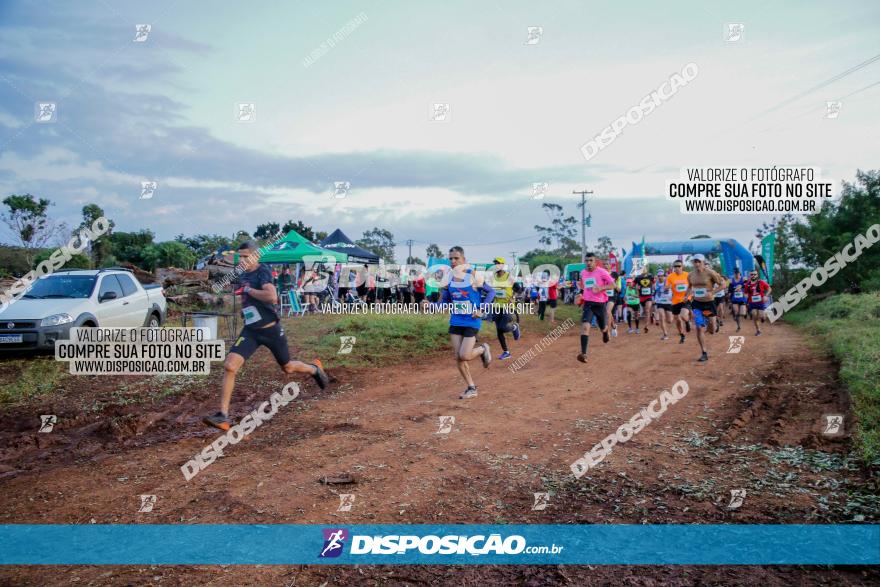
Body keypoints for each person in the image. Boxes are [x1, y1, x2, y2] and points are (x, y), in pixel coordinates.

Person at [202, 241, 329, 431]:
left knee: (287, 367)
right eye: (241, 257)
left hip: (271, 330)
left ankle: (313, 369)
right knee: (230, 366)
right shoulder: (242, 273)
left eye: (246, 256)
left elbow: (272, 297)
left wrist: (249, 291)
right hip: (251, 331)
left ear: (256, 256)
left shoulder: (263, 271)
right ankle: (223, 416)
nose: (243, 260)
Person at [440, 246, 495, 399]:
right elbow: (444, 302)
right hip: (456, 320)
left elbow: (491, 292)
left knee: (465, 355)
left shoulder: (473, 275)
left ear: (464, 260)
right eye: (450, 258)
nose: (453, 261)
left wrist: (481, 308)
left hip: (472, 320)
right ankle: (471, 388)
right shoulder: (448, 279)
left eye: (456, 258)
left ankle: (483, 349)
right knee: (458, 357)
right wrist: (429, 305)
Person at [686, 254, 726, 362]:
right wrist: (687, 296)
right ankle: (704, 352)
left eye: (699, 261)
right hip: (697, 304)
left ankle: (715, 323)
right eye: (695, 261)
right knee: (699, 327)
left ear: (703, 262)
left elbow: (723, 285)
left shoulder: (710, 273)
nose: (697, 263)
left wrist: (712, 292)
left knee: (712, 329)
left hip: (708, 303)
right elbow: (690, 286)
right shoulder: (690, 275)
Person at [576, 252, 615, 363]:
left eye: (591, 260)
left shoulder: (602, 272)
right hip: (588, 304)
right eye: (586, 261)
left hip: (600, 304)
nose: (588, 263)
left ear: (595, 261)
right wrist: (580, 295)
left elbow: (613, 285)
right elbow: (583, 287)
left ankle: (605, 332)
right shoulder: (583, 272)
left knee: (602, 327)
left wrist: (601, 288)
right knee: (585, 327)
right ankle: (584, 354)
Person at [489, 257, 521, 360]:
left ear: (502, 265)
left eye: (498, 264)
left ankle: (514, 327)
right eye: (495, 264)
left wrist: (513, 297)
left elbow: (519, 288)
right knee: (499, 331)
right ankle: (506, 352)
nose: (496, 266)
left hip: (507, 306)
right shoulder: (493, 277)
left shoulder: (509, 277)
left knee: (502, 327)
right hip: (497, 306)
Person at [665, 260, 692, 344]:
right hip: (675, 301)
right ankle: (682, 335)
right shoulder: (670, 276)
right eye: (675, 266)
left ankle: (687, 322)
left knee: (683, 316)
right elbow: (666, 287)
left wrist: (687, 296)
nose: (677, 268)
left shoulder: (687, 275)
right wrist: (667, 287)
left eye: (679, 266)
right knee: (678, 320)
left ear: (682, 266)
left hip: (686, 299)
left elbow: (691, 286)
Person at [744, 269, 772, 336]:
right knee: (754, 315)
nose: (753, 276)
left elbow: (769, 289)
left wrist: (766, 296)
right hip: (752, 303)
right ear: (749, 275)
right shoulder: (747, 284)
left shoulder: (761, 282)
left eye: (754, 274)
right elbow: (745, 293)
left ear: (757, 275)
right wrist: (746, 298)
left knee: (761, 316)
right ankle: (758, 330)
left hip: (761, 302)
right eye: (751, 274)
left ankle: (763, 317)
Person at [654, 269, 673, 340]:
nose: (660, 277)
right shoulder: (656, 283)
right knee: (662, 317)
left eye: (661, 276)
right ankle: (665, 334)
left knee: (670, 321)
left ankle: (672, 317)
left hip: (668, 302)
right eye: (659, 276)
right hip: (660, 302)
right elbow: (655, 291)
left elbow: (670, 287)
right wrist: (654, 299)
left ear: (664, 276)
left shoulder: (668, 281)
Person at [728, 268, 748, 332]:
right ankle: (738, 326)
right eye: (735, 274)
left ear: (740, 274)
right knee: (736, 313)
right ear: (734, 274)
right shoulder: (731, 281)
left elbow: (747, 286)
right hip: (734, 299)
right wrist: (730, 298)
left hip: (742, 298)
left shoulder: (744, 279)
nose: (736, 275)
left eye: (738, 273)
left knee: (742, 313)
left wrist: (741, 287)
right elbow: (730, 290)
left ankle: (745, 312)